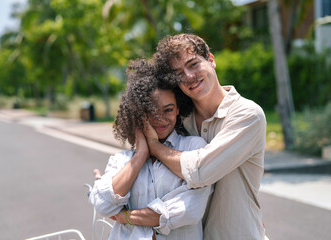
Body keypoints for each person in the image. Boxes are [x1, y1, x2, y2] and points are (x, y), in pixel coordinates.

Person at [141, 34, 267, 239]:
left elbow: (200, 171)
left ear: (211, 60)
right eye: (178, 73)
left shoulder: (247, 115)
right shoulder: (178, 119)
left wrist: (155, 146)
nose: (189, 76)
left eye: (193, 64)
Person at [89, 59, 212, 240]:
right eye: (152, 112)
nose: (161, 119)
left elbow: (189, 210)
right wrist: (141, 155)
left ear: (177, 109)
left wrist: (125, 216)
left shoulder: (194, 148)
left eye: (168, 110)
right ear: (138, 113)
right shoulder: (121, 159)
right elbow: (103, 206)